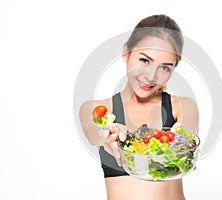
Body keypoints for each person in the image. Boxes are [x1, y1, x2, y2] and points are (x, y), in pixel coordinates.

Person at [79, 14, 199, 200]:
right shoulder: (95, 109)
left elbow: (186, 142)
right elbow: (95, 133)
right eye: (144, 60)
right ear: (126, 52)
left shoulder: (183, 106)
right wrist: (110, 137)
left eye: (165, 67)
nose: (151, 76)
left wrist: (177, 139)